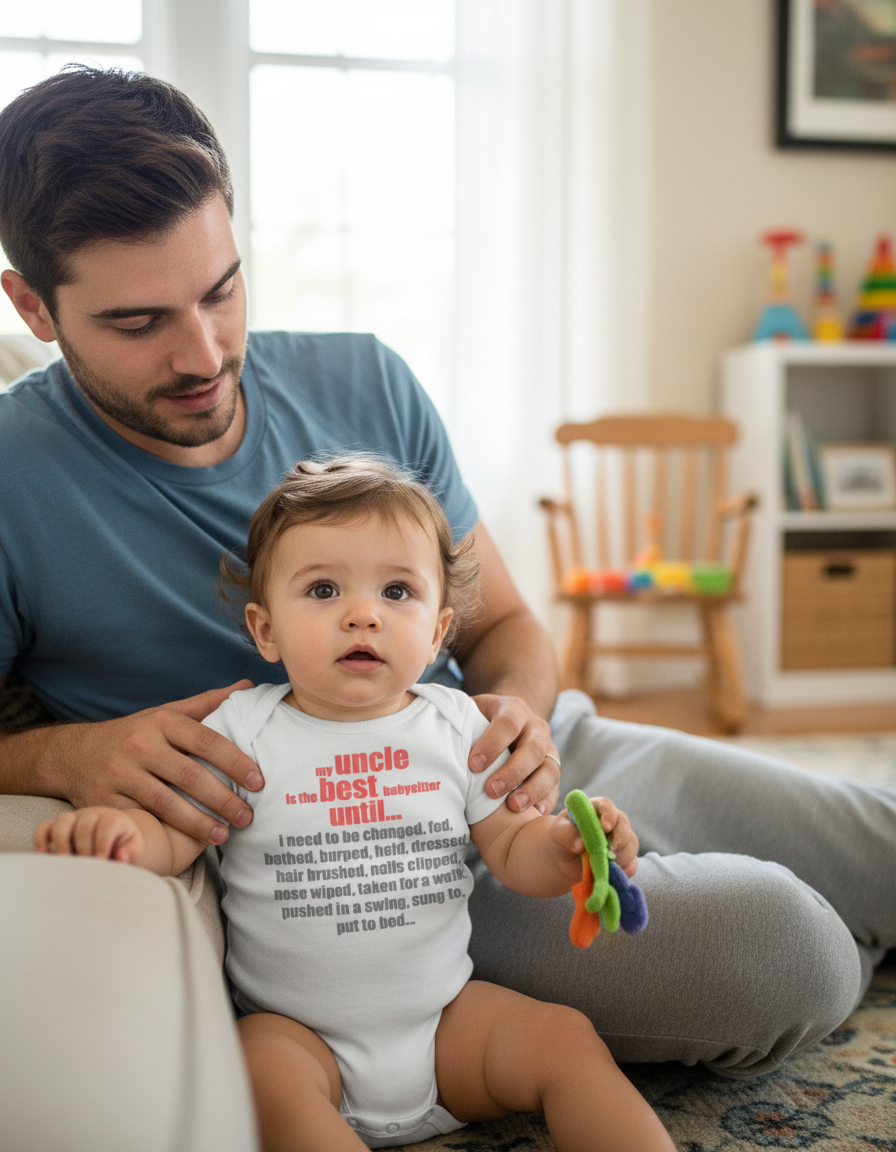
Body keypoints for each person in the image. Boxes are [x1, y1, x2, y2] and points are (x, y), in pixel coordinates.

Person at [0, 65, 892, 1087]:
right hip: (370, 873)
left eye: (221, 289)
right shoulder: (12, 474)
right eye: (138, 322)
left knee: (878, 846)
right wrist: (64, 757)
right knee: (790, 951)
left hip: (519, 758)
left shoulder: (364, 378)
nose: (204, 352)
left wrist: (513, 720)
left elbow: (504, 623)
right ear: (32, 304)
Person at [34, 456, 676, 1152]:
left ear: (438, 633)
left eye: (398, 591)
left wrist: (566, 851)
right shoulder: (241, 729)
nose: (363, 614)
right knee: (254, 1067)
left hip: (445, 1027)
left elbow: (515, 852)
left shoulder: (459, 725)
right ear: (266, 629)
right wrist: (122, 837)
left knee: (564, 1037)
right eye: (323, 589)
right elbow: (179, 832)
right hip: (302, 1040)